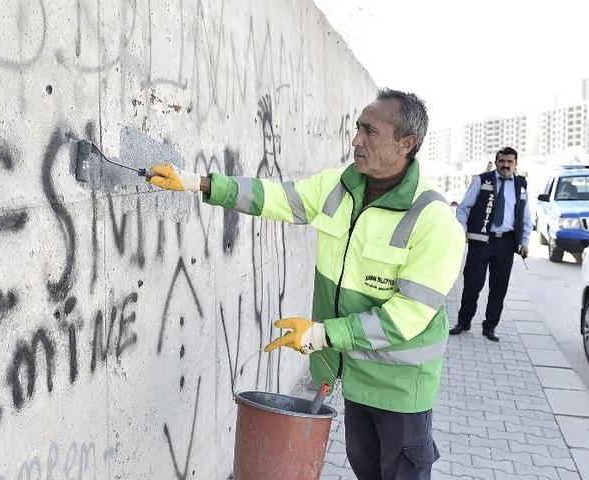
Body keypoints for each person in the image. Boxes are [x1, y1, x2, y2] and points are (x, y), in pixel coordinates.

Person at [148, 89, 465, 480]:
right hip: (355, 377)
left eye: (369, 131)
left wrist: (322, 334)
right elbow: (274, 197)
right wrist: (201, 183)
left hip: (401, 388)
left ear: (406, 143)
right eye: (356, 129)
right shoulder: (339, 187)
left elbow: (406, 317)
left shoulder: (434, 221)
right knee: (366, 468)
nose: (355, 140)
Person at [450, 147, 532, 342]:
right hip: (480, 242)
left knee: (499, 288)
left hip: (506, 243)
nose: (505, 165)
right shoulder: (481, 180)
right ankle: (464, 322)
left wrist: (525, 241)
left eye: (509, 162)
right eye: (502, 161)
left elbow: (525, 216)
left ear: (515, 164)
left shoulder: (521, 185)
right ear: (496, 162)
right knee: (472, 284)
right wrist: (462, 230)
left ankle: (490, 327)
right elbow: (463, 209)